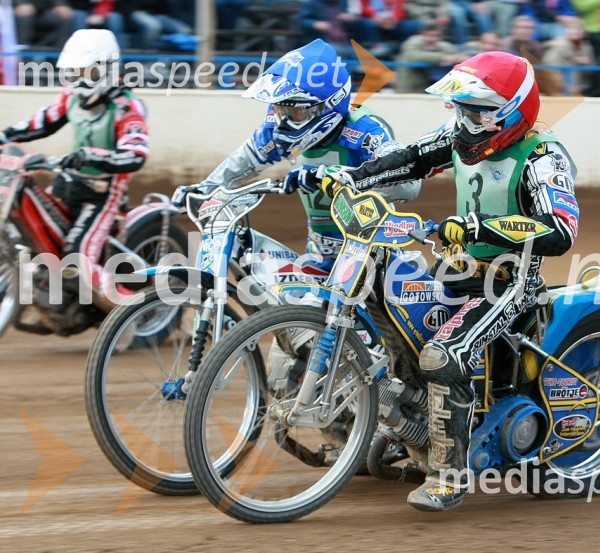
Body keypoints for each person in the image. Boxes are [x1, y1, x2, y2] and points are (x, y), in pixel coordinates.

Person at [321, 51, 579, 511]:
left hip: (510, 279)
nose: (465, 119)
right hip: (457, 268)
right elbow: (410, 159)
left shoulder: (542, 154)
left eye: (477, 110)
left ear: (511, 112)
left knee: (444, 354)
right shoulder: (462, 137)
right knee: (389, 304)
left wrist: (479, 229)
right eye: (461, 108)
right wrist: (352, 177)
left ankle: (449, 474)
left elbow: (560, 230)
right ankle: (411, 424)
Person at [198, 39, 418, 276]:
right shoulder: (280, 130)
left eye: (295, 111)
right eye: (281, 109)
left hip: (373, 259)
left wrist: (338, 176)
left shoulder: (365, 130)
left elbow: (409, 186)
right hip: (319, 256)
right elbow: (246, 159)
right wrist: (202, 189)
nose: (283, 120)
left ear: (328, 105)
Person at [0, 29, 148, 309]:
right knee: (38, 229)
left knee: (78, 258)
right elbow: (42, 122)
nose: (79, 80)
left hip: (103, 193)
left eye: (88, 73)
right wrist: (5, 136)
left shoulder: (126, 106)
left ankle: (129, 313)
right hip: (68, 182)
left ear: (107, 69)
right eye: (73, 73)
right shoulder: (71, 98)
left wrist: (88, 155)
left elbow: (136, 154)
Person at [396, 23, 467, 93]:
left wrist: (459, 58)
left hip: (434, 86)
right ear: (421, 35)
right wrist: (443, 57)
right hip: (410, 87)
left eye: (436, 36)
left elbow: (457, 55)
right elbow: (412, 55)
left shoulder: (443, 46)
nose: (431, 39)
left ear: (441, 37)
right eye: (428, 35)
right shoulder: (412, 43)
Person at [542, 17, 596, 94]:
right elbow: (552, 69)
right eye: (571, 29)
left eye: (578, 29)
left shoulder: (586, 48)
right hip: (562, 88)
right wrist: (574, 59)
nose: (574, 32)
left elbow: (592, 72)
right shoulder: (557, 47)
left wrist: (587, 64)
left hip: (582, 88)